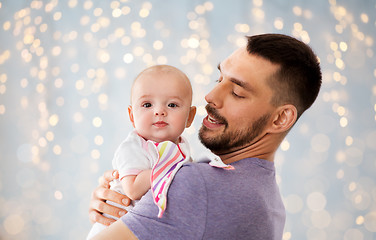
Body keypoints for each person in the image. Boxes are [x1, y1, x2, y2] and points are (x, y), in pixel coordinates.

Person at [89, 33, 322, 239]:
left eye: (237, 92)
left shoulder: (194, 184)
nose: (211, 96)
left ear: (280, 118)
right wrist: (124, 201)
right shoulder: (270, 201)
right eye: (219, 79)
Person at [87, 65, 197, 239]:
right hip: (114, 226)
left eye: (172, 104)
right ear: (132, 116)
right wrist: (169, 171)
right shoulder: (133, 147)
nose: (159, 111)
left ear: (190, 117)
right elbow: (133, 190)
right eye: (147, 104)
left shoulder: (182, 148)